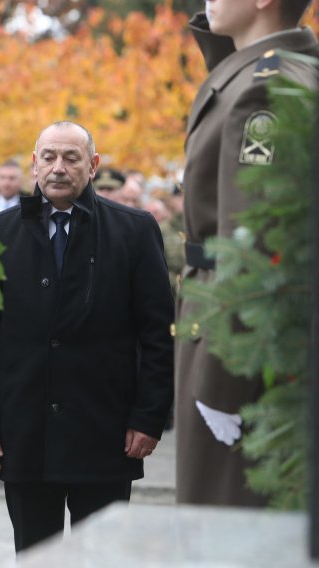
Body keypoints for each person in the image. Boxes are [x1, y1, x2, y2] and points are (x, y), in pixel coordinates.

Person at [0, 121, 174, 552]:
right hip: (24, 434)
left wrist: (148, 416)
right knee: (35, 554)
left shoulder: (133, 231)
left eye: (71, 158)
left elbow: (157, 335)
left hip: (106, 432)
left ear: (93, 165)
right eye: (49, 157)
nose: (59, 168)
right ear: (35, 165)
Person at [176, 0, 318, 507]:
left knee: (226, 505)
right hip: (223, 315)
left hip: (233, 336)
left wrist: (229, 366)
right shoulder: (265, 71)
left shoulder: (266, 87)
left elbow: (253, 250)